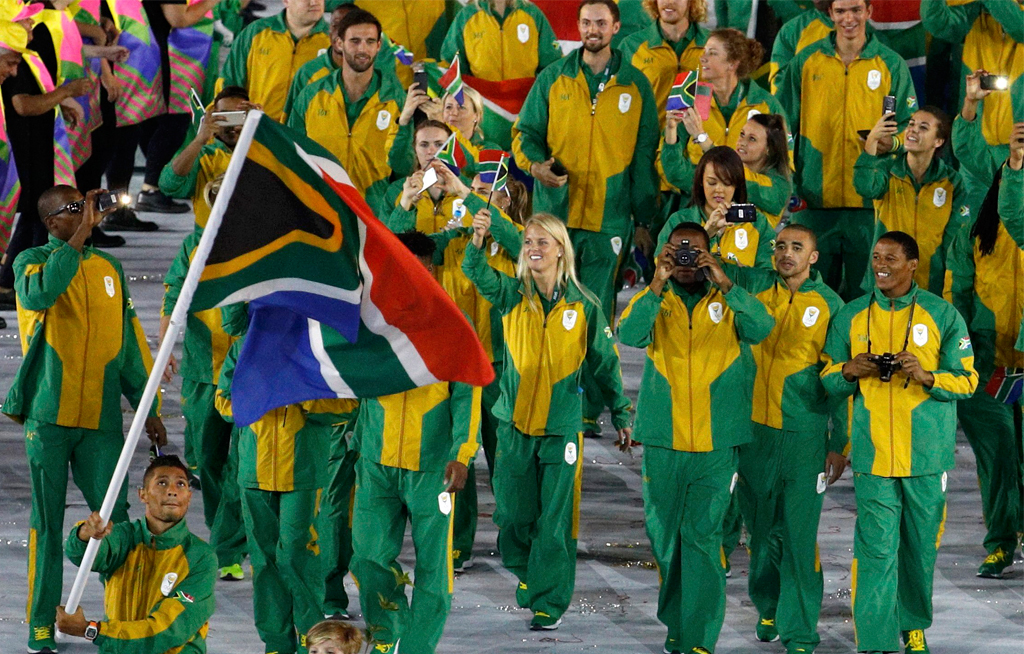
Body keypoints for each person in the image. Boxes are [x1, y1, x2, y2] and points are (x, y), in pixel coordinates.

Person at [1, 185, 166, 653]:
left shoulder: (109, 268)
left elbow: (130, 347)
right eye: (75, 209)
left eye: (87, 204)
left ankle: (127, 620)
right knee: (48, 524)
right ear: (53, 222)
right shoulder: (31, 261)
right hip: (48, 417)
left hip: (100, 421)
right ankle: (39, 626)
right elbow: (41, 293)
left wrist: (147, 407)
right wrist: (77, 241)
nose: (87, 213)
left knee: (118, 522)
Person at [462, 211, 633, 630]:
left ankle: (548, 601)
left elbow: (604, 364)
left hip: (561, 430)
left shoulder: (585, 304)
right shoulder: (509, 294)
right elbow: (472, 269)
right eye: (528, 242)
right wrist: (478, 238)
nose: (534, 248)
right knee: (513, 517)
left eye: (543, 242)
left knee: (555, 522)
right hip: (514, 425)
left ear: (561, 250)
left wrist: (622, 411)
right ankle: (529, 573)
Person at [617, 222, 774, 654]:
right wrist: (655, 284)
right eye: (678, 251)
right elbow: (628, 335)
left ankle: (701, 637)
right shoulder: (658, 297)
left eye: (696, 251)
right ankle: (677, 621)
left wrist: (725, 281)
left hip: (716, 441)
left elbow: (762, 327)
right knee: (666, 539)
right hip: (665, 438)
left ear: (711, 253)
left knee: (703, 539)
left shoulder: (727, 296)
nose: (687, 259)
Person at [821, 231, 978, 653]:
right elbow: (828, 378)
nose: (880, 264)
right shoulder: (852, 315)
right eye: (875, 256)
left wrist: (927, 375)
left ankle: (912, 625)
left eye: (890, 257)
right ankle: (875, 642)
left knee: (919, 550)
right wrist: (850, 371)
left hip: (927, 456)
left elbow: (968, 380)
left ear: (913, 264)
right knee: (875, 552)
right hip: (873, 456)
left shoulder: (942, 314)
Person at [512, 0, 657, 438]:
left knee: (593, 315)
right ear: (578, 27)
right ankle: (544, 396)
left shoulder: (636, 86)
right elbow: (525, 133)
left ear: (616, 26)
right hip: (555, 217)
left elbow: (644, 159)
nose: (593, 29)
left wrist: (645, 219)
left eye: (601, 22)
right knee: (546, 307)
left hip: (609, 219)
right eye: (586, 22)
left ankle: (587, 408)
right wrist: (535, 165)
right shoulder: (553, 78)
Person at [351, 230, 482, 654]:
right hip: (376, 460)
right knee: (368, 558)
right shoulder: (368, 320)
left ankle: (417, 649)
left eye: (421, 268)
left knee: (434, 574)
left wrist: (463, 454)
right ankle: (387, 635)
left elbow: (467, 394)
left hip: (433, 468)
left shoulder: (454, 325)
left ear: (432, 270)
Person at [726, 224, 846, 649]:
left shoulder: (832, 305)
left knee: (798, 533)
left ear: (813, 257)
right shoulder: (754, 287)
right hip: (753, 429)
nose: (786, 254)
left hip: (804, 434)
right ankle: (769, 606)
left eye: (797, 247)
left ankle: (799, 630)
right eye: (780, 247)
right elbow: (718, 269)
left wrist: (839, 441)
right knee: (759, 530)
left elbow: (839, 378)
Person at [215, 307, 352, 654]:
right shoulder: (244, 346)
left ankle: (312, 637)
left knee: (295, 553)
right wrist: (255, 402)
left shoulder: (318, 348)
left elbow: (349, 403)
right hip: (255, 471)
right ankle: (276, 643)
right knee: (263, 561)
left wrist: (306, 402)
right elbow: (222, 400)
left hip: (303, 470)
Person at [777, 0, 917, 300]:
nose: (848, 18)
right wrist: (790, 175)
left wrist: (891, 143)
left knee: (867, 298)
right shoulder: (806, 61)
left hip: (869, 203)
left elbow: (911, 127)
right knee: (807, 297)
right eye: (841, 11)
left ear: (869, 11)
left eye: (855, 9)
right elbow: (781, 124)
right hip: (814, 201)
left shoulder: (890, 63)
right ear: (830, 14)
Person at [946, 129, 1024, 579]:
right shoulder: (974, 235)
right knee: (998, 461)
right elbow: (956, 297)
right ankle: (999, 543)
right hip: (990, 365)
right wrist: (963, 356)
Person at [55, 455, 217, 654]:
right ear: (143, 495)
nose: (172, 491)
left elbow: (167, 630)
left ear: (189, 497)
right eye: (162, 483)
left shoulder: (201, 557)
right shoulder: (124, 538)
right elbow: (84, 555)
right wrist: (86, 534)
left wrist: (92, 631)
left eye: (181, 484)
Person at [160, 219, 247, 581]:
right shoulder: (194, 245)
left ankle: (228, 547)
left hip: (248, 372)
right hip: (201, 371)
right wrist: (165, 348)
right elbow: (173, 295)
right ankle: (223, 532)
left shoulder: (266, 237)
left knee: (241, 466)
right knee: (208, 462)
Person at [0, 17, 91, 309]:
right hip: (20, 149)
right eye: (25, 22)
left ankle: (15, 282)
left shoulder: (29, 57)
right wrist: (65, 92)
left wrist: (60, 102)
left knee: (32, 216)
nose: (31, 28)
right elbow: (23, 105)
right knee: (34, 215)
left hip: (31, 149)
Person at [288, 9, 407, 212]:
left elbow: (405, 166)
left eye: (370, 41)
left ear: (379, 46)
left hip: (375, 215)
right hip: (321, 210)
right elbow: (292, 154)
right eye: (355, 41)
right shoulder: (311, 95)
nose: (363, 49)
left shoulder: (396, 99)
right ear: (339, 44)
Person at [661, 27, 787, 206]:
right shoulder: (688, 101)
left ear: (732, 64)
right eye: (704, 52)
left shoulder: (766, 105)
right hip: (701, 210)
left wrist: (735, 189)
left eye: (712, 53)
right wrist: (709, 189)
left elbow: (780, 180)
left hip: (751, 216)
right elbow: (673, 170)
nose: (702, 58)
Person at [855, 105, 969, 295]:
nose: (913, 130)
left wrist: (949, 278)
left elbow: (955, 236)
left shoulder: (952, 181)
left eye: (923, 127)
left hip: (932, 282)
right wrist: (871, 145)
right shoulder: (887, 169)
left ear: (938, 141)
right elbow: (864, 188)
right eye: (911, 124)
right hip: (886, 280)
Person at [665, 112, 793, 228]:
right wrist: (671, 130)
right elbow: (677, 173)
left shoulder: (779, 186)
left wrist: (701, 137)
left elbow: (745, 180)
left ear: (769, 149)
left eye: (752, 139)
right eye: (742, 134)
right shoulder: (723, 173)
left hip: (751, 251)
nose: (742, 142)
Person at [659, 146, 775, 269]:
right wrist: (707, 234)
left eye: (726, 183)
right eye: (712, 183)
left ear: (737, 184)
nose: (719, 190)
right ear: (700, 181)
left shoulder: (758, 224)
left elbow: (770, 276)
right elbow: (661, 271)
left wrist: (740, 276)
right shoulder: (678, 221)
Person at [159, 86, 254, 230]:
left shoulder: (263, 153)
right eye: (224, 117)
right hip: (208, 240)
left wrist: (263, 128)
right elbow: (169, 186)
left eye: (238, 116)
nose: (231, 125)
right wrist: (199, 140)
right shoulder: (202, 154)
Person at [220, 0, 330, 122]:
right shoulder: (255, 33)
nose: (314, 2)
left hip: (306, 137)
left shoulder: (334, 42)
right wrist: (229, 131)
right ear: (286, 1)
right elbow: (229, 84)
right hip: (257, 133)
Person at [282, 3, 397, 119]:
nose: (338, 33)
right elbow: (290, 125)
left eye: (346, 27)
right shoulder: (308, 72)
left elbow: (399, 124)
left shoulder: (384, 74)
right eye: (335, 25)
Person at [618, 0, 709, 121]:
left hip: (701, 138)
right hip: (651, 137)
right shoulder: (631, 46)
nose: (669, 2)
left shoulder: (713, 45)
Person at [381, 119, 473, 234]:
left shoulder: (471, 189)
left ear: (451, 148)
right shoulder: (397, 191)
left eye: (439, 144)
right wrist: (406, 202)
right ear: (415, 149)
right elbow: (385, 241)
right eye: (424, 145)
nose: (431, 151)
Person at [442, 0, 562, 81]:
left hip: (525, 102)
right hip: (483, 105)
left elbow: (552, 62)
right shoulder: (466, 16)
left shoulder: (532, 14)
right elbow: (452, 62)